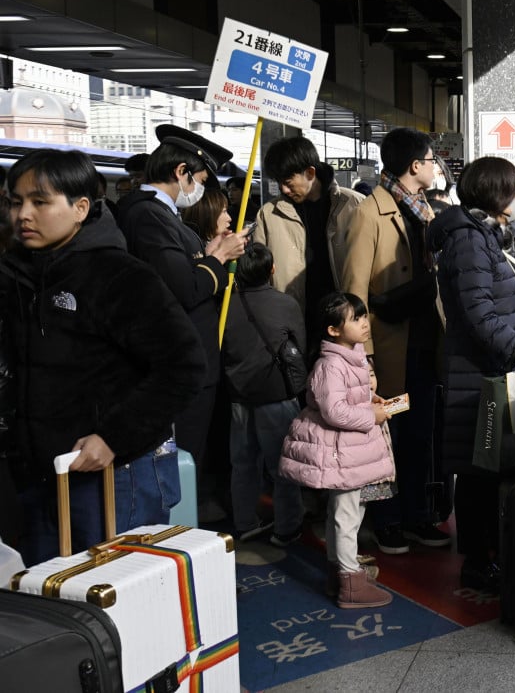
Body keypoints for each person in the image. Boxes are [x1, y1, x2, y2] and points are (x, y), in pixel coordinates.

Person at [0, 149, 205, 565]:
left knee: (118, 600)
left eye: (40, 202)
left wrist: (114, 437)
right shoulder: (14, 275)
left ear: (79, 208)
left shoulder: (121, 276)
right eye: (15, 201)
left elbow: (183, 366)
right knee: (54, 603)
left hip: (116, 475)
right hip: (39, 474)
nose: (23, 214)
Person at [428, 157, 515, 592]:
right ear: (498, 193)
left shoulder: (480, 232)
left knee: (486, 468)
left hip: (488, 366)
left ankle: (489, 553)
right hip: (477, 372)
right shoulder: (468, 239)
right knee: (479, 470)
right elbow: (478, 313)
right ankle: (478, 561)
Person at [117, 124, 246, 514]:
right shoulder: (148, 216)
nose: (201, 190)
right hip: (180, 358)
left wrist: (206, 256)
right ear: (181, 172)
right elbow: (186, 288)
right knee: (182, 457)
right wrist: (218, 258)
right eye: (201, 179)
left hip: (190, 356)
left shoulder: (161, 216)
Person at [340, 126, 449, 555]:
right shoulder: (371, 212)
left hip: (422, 348)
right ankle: (386, 521)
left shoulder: (423, 210)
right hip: (388, 355)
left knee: (421, 433)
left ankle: (419, 514)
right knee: (388, 437)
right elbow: (354, 289)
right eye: (431, 158)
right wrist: (361, 357)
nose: (437, 165)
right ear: (415, 165)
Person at [279, 292, 395, 608]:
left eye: (363, 315)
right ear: (333, 330)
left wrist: (371, 401)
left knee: (349, 511)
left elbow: (348, 401)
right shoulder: (331, 365)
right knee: (346, 514)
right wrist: (372, 415)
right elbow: (335, 412)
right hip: (344, 454)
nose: (364, 323)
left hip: (354, 453)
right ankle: (350, 581)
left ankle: (338, 573)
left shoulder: (353, 355)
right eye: (355, 319)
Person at [222, 243, 305, 545]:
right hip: (277, 394)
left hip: (238, 394)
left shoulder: (224, 304)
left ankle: (244, 523)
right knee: (283, 465)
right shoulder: (285, 304)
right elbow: (300, 346)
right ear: (272, 270)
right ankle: (287, 527)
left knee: (243, 464)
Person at [254, 136, 364, 356]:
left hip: (343, 324)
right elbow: (259, 273)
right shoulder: (269, 214)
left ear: (310, 173)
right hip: (294, 322)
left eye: (288, 182)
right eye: (279, 183)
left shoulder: (353, 205)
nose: (284, 190)